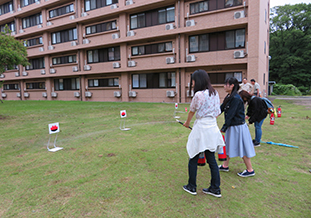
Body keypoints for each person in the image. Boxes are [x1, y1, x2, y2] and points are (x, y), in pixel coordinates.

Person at [182, 69, 225, 197]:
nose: (193, 83)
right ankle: (215, 188)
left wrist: (187, 123)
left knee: (193, 156)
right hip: (212, 127)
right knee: (211, 158)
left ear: (198, 80)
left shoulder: (199, 95)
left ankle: (192, 186)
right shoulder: (215, 93)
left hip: (201, 128)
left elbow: (191, 111)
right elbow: (217, 112)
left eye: (193, 81)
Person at [219, 77, 256, 177]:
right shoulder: (229, 96)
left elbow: (230, 115)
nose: (224, 86)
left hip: (238, 127)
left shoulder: (236, 98)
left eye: (226, 84)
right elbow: (222, 108)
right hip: (232, 126)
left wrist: (223, 128)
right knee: (227, 145)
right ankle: (225, 166)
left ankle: (250, 170)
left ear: (232, 86)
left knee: (242, 147)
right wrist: (211, 114)